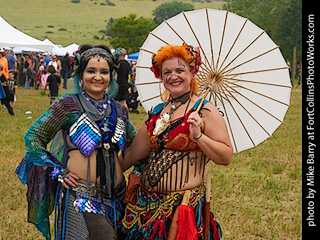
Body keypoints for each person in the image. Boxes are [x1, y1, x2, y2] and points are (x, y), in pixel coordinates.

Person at [15, 44, 136, 240]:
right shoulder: (67, 105)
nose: (98, 77)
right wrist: (57, 171)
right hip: (81, 198)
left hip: (118, 200)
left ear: (111, 75)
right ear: (81, 74)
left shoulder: (119, 110)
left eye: (104, 72)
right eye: (91, 71)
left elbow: (134, 146)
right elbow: (34, 137)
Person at [119, 43, 233, 240]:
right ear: (161, 77)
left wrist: (198, 136)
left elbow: (225, 156)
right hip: (144, 206)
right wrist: (92, 174)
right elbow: (132, 155)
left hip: (180, 211)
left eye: (180, 70)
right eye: (167, 72)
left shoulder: (205, 110)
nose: (173, 76)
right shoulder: (156, 112)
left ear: (192, 72)